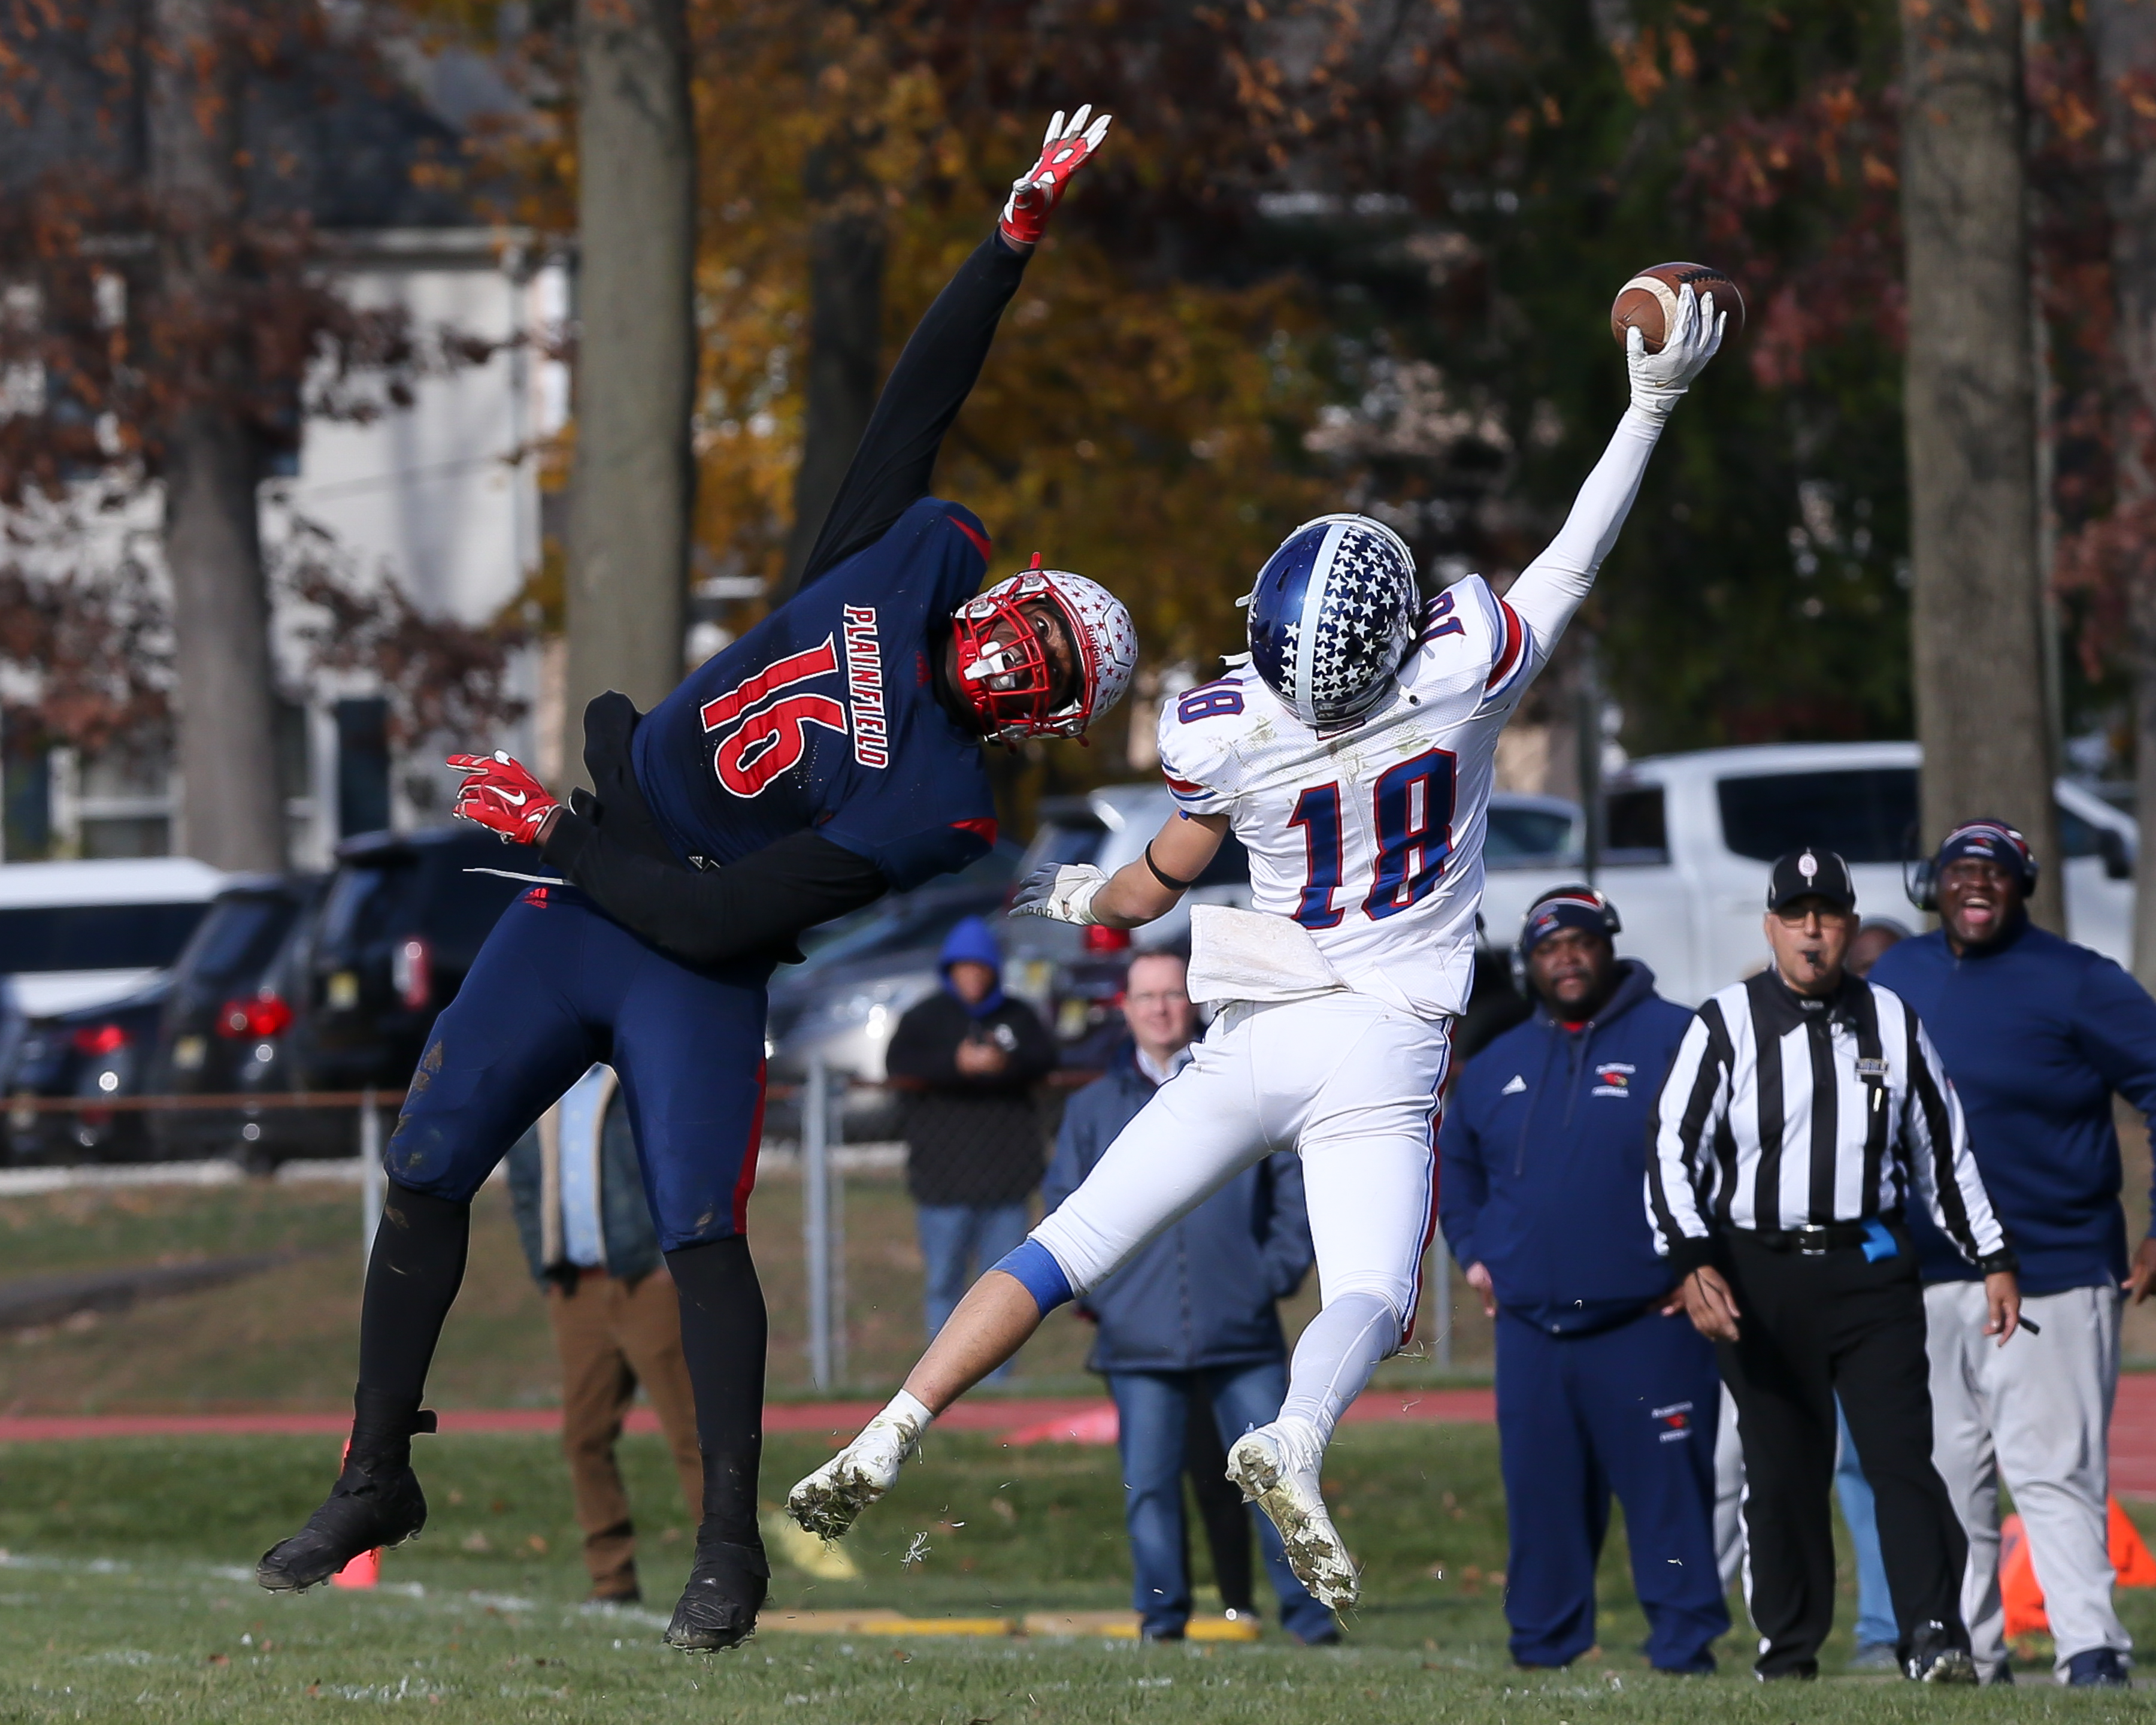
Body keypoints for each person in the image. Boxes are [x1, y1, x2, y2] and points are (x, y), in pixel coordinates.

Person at [254, 109, 1138, 1655]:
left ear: (1047, 710)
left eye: (1044, 668)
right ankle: (376, 1472)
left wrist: (559, 831)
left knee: (699, 1231)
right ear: (1018, 588)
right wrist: (1009, 240)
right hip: (587, 891)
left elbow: (719, 919)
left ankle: (731, 1547)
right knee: (429, 1159)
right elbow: (920, 399)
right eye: (1034, 624)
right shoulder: (907, 553)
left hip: (672, 944)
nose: (1012, 651)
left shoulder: (940, 805)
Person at [788, 274, 1729, 1611]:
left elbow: (1151, 888)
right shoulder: (1463, 671)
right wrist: (1647, 409)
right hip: (1388, 1037)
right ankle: (1296, 1435)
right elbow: (1572, 556)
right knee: (1371, 1297)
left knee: (1068, 1243)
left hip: (1262, 1021)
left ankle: (893, 1421)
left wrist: (1077, 900)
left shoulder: (1227, 734)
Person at [1648, 848, 2019, 1684]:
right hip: (1758, 1273)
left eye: (1829, 914)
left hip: (1871, 1269)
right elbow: (1672, 1150)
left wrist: (1992, 1254)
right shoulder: (1725, 1023)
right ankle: (1789, 1653)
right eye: (1797, 915)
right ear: (1773, 926)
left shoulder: (1893, 1020)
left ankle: (1933, 1636)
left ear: (1851, 927)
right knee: (1783, 1471)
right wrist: (1692, 1258)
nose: (1813, 930)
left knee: (1900, 1458)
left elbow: (1943, 1153)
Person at [1869, 818, 2156, 1688]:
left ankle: (2090, 1650)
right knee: (1949, 1474)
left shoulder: (2078, 981)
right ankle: (1967, 1651)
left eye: (1995, 873)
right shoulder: (1896, 975)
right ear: (1934, 888)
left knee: (2052, 1466)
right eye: (1959, 872)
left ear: (2024, 886)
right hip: (1924, 1270)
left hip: (2052, 1266)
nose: (1976, 886)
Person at [1440, 886, 1725, 1674]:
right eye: (1548, 947)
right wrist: (1472, 1249)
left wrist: (1704, 1263)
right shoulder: (1498, 1061)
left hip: (1648, 1324)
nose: (1565, 958)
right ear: (1530, 963)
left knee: (1669, 1498)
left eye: (1581, 942)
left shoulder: (1678, 1037)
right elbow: (1454, 1165)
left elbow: (1733, 1158)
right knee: (1543, 1507)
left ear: (1610, 947)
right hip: (1531, 1332)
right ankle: (1543, 1646)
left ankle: (1684, 1646)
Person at [1041, 949, 1334, 1645]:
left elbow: (1295, 1194)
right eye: (1147, 996)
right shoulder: (1091, 1108)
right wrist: (1103, 1299)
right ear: (1127, 1007)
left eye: (1174, 993)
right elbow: (1064, 1206)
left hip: (1242, 1330)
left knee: (1283, 1482)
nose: (1162, 1007)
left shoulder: (1242, 1086)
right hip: (1137, 1341)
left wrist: (1270, 1275)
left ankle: (1310, 1621)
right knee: (1149, 1491)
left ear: (1194, 1000)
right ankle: (1162, 1622)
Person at [505, 1066, 701, 1605]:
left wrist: (671, 1258)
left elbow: (682, 1163)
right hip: (576, 1286)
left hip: (648, 1280)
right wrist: (545, 1270)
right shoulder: (538, 1085)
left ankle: (726, 1572)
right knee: (584, 1437)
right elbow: (524, 1185)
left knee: (693, 1433)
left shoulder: (638, 1077)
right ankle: (611, 1581)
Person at [886, 916, 1059, 1364]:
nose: (973, 978)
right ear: (950, 970)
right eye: (964, 968)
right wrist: (956, 1064)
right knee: (944, 1284)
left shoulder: (1016, 1015)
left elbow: (1046, 1057)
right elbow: (899, 1064)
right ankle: (940, 1379)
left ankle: (996, 1384)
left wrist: (1005, 1064)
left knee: (1005, 1287)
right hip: (942, 1182)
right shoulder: (925, 1019)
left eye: (981, 968)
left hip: (1007, 1179)